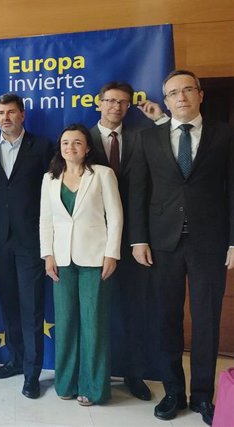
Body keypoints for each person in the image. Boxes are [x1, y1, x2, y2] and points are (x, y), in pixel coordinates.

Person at [129, 70, 234, 426]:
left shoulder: (225, 134)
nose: (181, 97)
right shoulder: (148, 138)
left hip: (211, 242)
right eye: (173, 93)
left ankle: (203, 396)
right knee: (166, 319)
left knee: (206, 321)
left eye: (187, 90)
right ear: (167, 100)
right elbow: (138, 193)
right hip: (162, 244)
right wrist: (138, 238)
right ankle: (174, 391)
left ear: (200, 94)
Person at [89, 81, 164, 401]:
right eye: (110, 101)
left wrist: (159, 120)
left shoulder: (142, 136)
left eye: (123, 102)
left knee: (135, 310)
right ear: (99, 103)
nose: (116, 107)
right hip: (90, 241)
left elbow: (170, 152)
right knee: (95, 312)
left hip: (134, 239)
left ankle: (134, 374)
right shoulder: (80, 138)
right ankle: (95, 375)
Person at [0, 93, 53, 398]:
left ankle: (33, 373)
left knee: (31, 307)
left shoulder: (44, 147)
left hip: (31, 241)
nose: (5, 117)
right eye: (0, 113)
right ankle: (16, 360)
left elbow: (51, 197)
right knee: (9, 305)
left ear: (22, 115)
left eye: (11, 112)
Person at [40, 123, 122, 406]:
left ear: (88, 148)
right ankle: (66, 382)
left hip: (94, 259)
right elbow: (46, 220)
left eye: (77, 143)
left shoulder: (102, 174)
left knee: (93, 324)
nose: (70, 147)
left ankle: (93, 387)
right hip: (61, 260)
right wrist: (47, 255)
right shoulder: (50, 179)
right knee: (65, 323)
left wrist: (112, 254)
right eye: (65, 143)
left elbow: (116, 216)